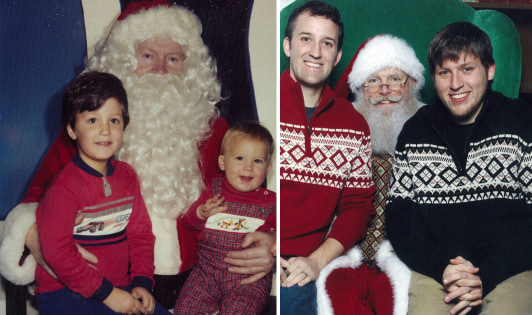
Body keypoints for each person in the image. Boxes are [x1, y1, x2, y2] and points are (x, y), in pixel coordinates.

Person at [0, 0, 275, 310]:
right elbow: (36, 201)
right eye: (147, 56)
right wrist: (42, 242)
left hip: (195, 286)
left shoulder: (215, 130)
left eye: (173, 58)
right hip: (105, 285)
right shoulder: (91, 134)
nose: (160, 69)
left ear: (190, 68)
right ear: (122, 61)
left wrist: (274, 242)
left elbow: (250, 197)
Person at [385, 21, 532, 315]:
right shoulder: (415, 132)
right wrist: (443, 268)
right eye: (444, 72)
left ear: (489, 70)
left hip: (516, 268)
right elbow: (400, 221)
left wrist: (485, 276)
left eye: (467, 69)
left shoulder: (522, 122)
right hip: (439, 270)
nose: (456, 84)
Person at [35, 71, 170, 315]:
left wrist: (141, 282)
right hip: (65, 292)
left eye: (114, 120)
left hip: (119, 287)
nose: (105, 130)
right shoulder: (63, 187)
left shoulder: (127, 176)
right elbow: (57, 252)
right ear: (72, 130)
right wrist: (107, 294)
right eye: (92, 120)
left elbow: (140, 235)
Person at [315, 34, 427, 315]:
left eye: (395, 79)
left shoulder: (433, 131)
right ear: (360, 91)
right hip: (346, 251)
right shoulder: (341, 132)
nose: (385, 89)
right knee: (338, 295)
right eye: (373, 81)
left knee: (397, 302)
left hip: (404, 254)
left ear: (412, 84)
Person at [279, 1, 376, 313]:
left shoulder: (354, 124)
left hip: (302, 266)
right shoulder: (263, 105)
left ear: (337, 56)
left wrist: (315, 262)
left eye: (327, 43)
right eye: (306, 38)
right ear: (287, 46)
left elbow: (357, 209)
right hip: (255, 250)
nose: (315, 52)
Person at [175, 121, 275, 314]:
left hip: (247, 280)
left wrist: (275, 241)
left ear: (267, 169)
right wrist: (200, 213)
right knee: (185, 308)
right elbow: (188, 221)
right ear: (223, 162)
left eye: (257, 161)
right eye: (240, 158)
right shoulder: (212, 191)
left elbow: (288, 233)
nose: (248, 167)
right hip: (206, 274)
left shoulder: (271, 203)